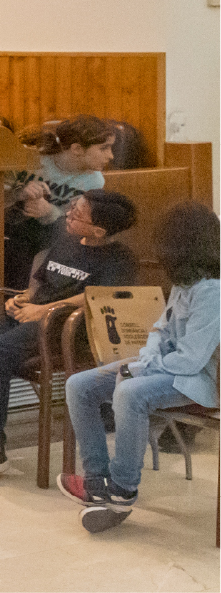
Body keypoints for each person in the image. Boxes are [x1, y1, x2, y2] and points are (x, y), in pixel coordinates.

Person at [0, 190, 138, 484]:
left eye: (77, 214)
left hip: (64, 328)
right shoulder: (66, 242)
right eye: (72, 208)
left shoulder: (120, 259)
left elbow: (95, 298)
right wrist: (21, 299)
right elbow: (41, 284)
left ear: (99, 230)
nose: (68, 215)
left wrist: (44, 310)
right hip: (33, 315)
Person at [60, 202, 219, 532]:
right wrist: (145, 360)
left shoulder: (213, 292)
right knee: (79, 386)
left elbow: (191, 360)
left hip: (199, 380)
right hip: (164, 367)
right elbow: (160, 328)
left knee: (130, 392)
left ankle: (122, 490)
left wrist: (143, 369)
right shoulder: (186, 283)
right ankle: (97, 480)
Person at [2, 115, 116, 287]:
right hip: (5, 226)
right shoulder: (32, 157)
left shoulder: (94, 181)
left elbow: (75, 222)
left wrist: (49, 212)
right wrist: (19, 193)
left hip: (48, 235)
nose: (111, 156)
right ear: (77, 149)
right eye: (104, 148)